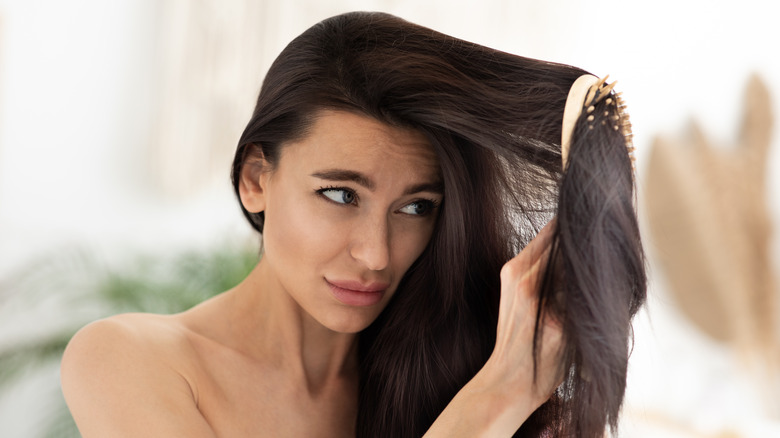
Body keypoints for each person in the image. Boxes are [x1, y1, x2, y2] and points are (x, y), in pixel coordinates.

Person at [61, 11, 646, 438]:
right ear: (256, 178)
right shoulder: (132, 362)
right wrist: (498, 397)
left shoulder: (458, 368)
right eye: (340, 194)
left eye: (417, 206)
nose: (376, 254)